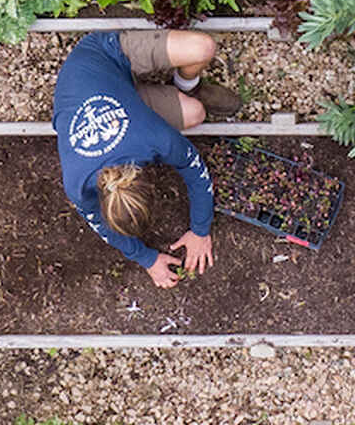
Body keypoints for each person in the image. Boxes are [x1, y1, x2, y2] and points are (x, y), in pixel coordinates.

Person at [53, 30, 240, 287]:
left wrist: (200, 230)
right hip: (109, 91)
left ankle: (187, 86)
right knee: (193, 113)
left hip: (106, 56)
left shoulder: (153, 139)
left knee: (203, 48)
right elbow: (102, 226)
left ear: (149, 180)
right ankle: (151, 92)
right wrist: (146, 258)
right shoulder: (77, 184)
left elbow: (195, 171)